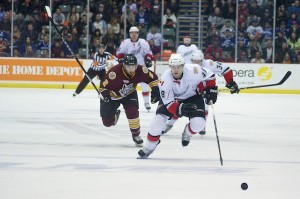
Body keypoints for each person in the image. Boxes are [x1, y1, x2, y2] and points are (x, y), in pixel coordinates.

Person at [137, 53, 218, 159]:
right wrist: (179, 109)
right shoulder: (165, 80)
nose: (176, 69)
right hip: (172, 100)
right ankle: (149, 147)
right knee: (157, 122)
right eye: (173, 67)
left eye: (178, 67)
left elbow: (210, 75)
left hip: (193, 97)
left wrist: (211, 90)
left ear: (183, 65)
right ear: (170, 67)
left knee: (199, 124)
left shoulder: (194, 70)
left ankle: (187, 133)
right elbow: (169, 103)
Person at [163, 50, 240, 135]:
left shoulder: (209, 64)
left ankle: (202, 125)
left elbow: (225, 69)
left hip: (206, 89)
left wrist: (230, 82)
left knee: (205, 106)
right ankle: (169, 124)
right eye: (194, 61)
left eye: (198, 61)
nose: (196, 63)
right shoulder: (187, 66)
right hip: (191, 91)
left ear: (202, 59)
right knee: (181, 107)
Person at [99, 54, 160, 147]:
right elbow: (103, 87)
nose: (131, 69)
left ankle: (136, 135)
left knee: (133, 112)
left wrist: (155, 90)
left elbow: (153, 78)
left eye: (133, 66)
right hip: (113, 97)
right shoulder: (114, 73)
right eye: (128, 67)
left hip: (129, 94)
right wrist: (105, 96)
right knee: (107, 123)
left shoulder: (140, 70)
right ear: (124, 66)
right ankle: (115, 117)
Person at [116, 26, 154, 111]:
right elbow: (119, 53)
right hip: (129, 68)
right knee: (127, 86)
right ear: (129, 34)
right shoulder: (125, 43)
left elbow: (149, 53)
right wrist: (120, 58)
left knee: (144, 84)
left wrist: (148, 59)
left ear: (138, 34)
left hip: (140, 67)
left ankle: (146, 102)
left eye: (135, 33)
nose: (134, 35)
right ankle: (123, 102)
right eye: (132, 33)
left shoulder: (143, 42)